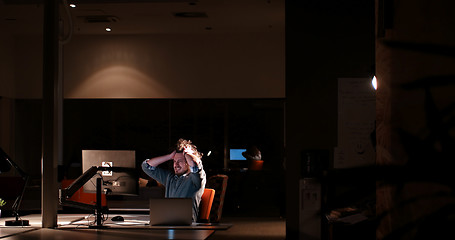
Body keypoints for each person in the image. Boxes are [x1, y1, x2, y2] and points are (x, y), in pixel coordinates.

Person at [141, 138, 206, 222]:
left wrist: (187, 153)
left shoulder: (196, 179)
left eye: (180, 161)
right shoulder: (169, 178)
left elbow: (195, 165)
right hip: (169, 222)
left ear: (188, 162)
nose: (176, 165)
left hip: (187, 227)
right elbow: (146, 167)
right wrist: (169, 156)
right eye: (174, 161)